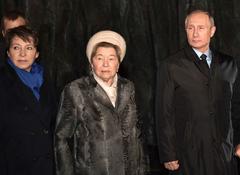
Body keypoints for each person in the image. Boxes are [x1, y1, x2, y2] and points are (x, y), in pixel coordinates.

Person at [155, 8, 239, 175]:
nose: (195, 33)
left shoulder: (229, 64)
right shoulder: (171, 66)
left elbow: (236, 106)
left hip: (224, 152)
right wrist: (168, 154)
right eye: (190, 28)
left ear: (212, 31)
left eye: (201, 28)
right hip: (188, 154)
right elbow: (164, 112)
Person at [55, 30, 145, 175]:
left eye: (111, 58)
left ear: (118, 63)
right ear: (91, 63)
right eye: (99, 58)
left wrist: (141, 170)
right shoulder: (76, 90)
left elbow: (137, 134)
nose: (105, 64)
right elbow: (62, 139)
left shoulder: (129, 87)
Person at [0, 26, 56, 175]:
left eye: (29, 48)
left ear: (36, 53)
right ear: (8, 53)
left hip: (45, 165)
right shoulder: (3, 81)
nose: (23, 53)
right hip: (14, 165)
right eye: (16, 47)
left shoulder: (46, 80)